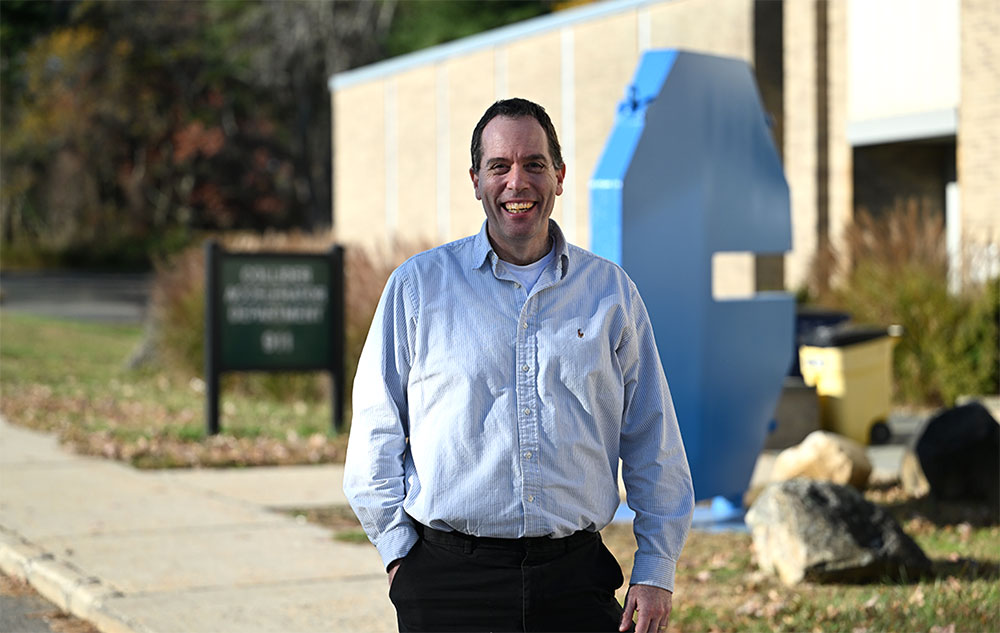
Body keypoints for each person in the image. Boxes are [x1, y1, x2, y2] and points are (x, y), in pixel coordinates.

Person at [344, 98, 694, 633]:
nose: (517, 182)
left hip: (576, 581)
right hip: (448, 586)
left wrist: (656, 568)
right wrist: (398, 555)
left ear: (559, 175)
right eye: (499, 166)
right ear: (475, 179)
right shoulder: (417, 289)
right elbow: (375, 431)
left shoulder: (611, 293)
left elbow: (653, 437)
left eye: (534, 164)